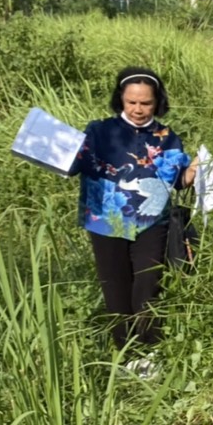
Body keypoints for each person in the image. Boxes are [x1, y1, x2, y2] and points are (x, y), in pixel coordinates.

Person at [72, 67, 196, 371]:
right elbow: (73, 163)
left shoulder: (168, 138)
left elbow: (177, 180)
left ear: (157, 102)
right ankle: (125, 354)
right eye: (132, 103)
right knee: (115, 287)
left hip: (151, 221)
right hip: (105, 220)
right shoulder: (98, 131)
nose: (138, 109)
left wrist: (195, 171)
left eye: (146, 103)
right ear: (121, 100)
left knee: (148, 282)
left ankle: (149, 352)